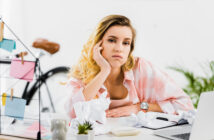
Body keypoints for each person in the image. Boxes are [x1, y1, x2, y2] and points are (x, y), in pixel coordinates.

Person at [66, 15, 194, 118]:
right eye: (111, 40)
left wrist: (139, 107)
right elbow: (73, 112)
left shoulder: (140, 68)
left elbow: (184, 104)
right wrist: (104, 71)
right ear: (98, 43)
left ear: (130, 48)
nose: (119, 49)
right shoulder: (83, 72)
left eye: (126, 43)